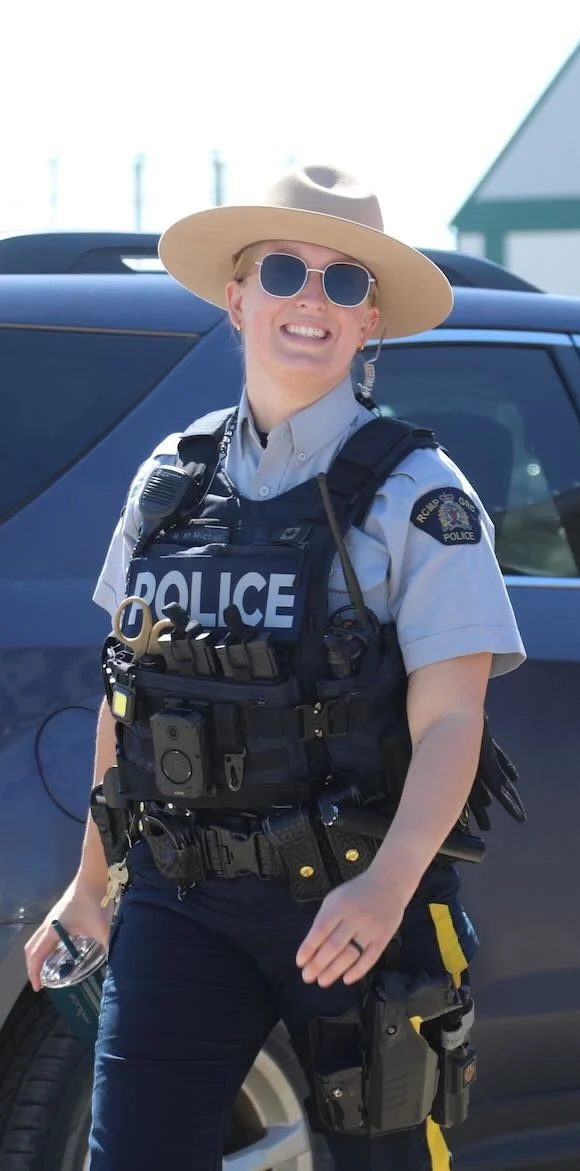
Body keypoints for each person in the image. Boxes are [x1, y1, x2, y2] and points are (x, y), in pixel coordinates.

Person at [23, 164, 526, 1170]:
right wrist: (90, 885)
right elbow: (127, 695)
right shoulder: (168, 482)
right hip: (179, 898)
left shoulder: (418, 493)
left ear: (370, 319)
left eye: (344, 282)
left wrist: (389, 886)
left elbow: (451, 722)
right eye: (285, 271)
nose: (312, 298)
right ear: (237, 298)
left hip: (353, 900)